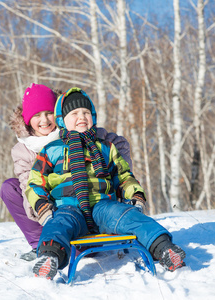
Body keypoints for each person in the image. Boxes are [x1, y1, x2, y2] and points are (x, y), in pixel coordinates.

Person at [26, 87, 186, 279]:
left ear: (93, 116)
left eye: (86, 112)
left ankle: (164, 248)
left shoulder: (105, 147)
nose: (81, 117)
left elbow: (123, 175)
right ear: (61, 120)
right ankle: (50, 258)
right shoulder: (52, 150)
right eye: (74, 113)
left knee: (128, 216)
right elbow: (35, 183)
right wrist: (43, 206)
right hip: (68, 207)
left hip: (103, 206)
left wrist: (134, 194)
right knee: (58, 225)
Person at [0, 83, 134, 261]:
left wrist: (119, 181)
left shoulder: (78, 130)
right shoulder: (23, 150)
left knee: (81, 247)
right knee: (10, 187)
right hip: (53, 210)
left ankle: (79, 239)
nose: (45, 120)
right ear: (27, 120)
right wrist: (47, 214)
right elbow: (28, 187)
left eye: (49, 113)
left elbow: (120, 144)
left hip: (88, 204)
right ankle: (42, 242)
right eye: (37, 115)